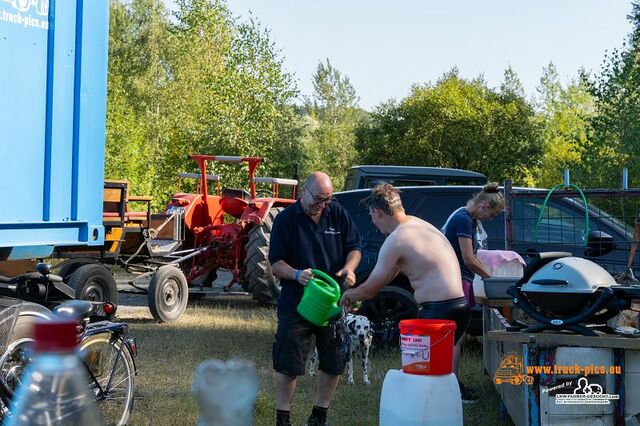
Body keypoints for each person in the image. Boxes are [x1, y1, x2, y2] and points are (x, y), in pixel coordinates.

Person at [339, 183, 476, 402]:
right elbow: (393, 272)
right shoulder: (421, 225)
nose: (374, 224)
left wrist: (349, 295)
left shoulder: (396, 240)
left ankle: (428, 412)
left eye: (372, 218)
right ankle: (449, 403)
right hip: (460, 307)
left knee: (420, 377)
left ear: (377, 212)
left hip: (437, 314)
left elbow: (371, 288)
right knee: (438, 377)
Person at [269, 172, 362, 426]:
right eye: (318, 199)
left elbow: (354, 248)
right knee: (288, 363)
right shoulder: (286, 220)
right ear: (304, 192)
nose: (322, 205)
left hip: (332, 303)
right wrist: (296, 274)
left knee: (334, 360)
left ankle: (319, 415)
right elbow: (276, 263)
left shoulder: (337, 214)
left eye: (327, 199)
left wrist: (350, 268)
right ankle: (283, 418)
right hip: (297, 302)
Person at [441, 182, 505, 307]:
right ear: (484, 205)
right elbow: (468, 259)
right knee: (458, 320)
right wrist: (489, 278)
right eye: (492, 214)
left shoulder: (471, 219)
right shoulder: (463, 219)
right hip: (456, 278)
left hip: (462, 277)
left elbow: (473, 256)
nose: (490, 218)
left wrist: (486, 273)